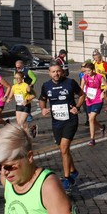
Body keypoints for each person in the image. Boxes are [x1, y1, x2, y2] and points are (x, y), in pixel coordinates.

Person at [39, 63, 85, 192]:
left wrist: (77, 107)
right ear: (49, 73)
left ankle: (67, 178)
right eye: (53, 72)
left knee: (64, 148)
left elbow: (82, 95)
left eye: (58, 71)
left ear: (62, 72)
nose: (56, 74)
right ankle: (73, 171)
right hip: (56, 122)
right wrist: (43, 109)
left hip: (70, 120)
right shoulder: (46, 86)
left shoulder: (70, 83)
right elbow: (42, 99)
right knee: (63, 149)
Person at [81, 63, 107, 146]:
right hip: (89, 99)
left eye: (89, 71)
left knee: (91, 119)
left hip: (98, 99)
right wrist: (83, 95)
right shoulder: (84, 77)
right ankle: (102, 127)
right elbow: (81, 87)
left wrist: (103, 92)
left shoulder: (99, 77)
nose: (87, 72)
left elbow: (106, 85)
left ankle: (92, 139)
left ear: (93, 70)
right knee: (92, 119)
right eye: (86, 71)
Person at [6, 71, 38, 137]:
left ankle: (22, 137)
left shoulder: (26, 86)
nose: (17, 80)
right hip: (18, 105)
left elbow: (34, 95)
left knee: (21, 122)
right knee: (20, 124)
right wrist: (9, 99)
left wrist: (27, 99)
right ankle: (32, 129)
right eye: (15, 78)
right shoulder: (14, 87)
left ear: (22, 78)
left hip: (26, 106)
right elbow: (11, 95)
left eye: (18, 78)